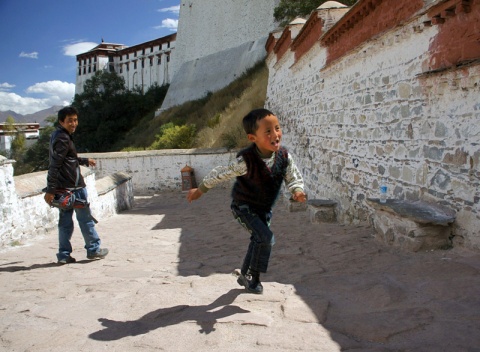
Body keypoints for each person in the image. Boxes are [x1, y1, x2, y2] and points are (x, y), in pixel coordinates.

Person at [187, 108, 306, 294]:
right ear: (253, 138)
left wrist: (297, 191)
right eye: (268, 131)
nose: (275, 134)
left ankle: (244, 274)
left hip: (263, 209)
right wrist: (200, 190)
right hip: (243, 207)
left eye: (277, 128)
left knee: (258, 239)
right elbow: (221, 173)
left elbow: (293, 177)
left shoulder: (284, 157)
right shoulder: (246, 161)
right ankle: (253, 278)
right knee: (266, 238)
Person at [44, 106, 108, 264]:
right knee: (85, 219)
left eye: (75, 120)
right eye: (69, 121)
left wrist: (85, 161)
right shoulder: (64, 138)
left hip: (63, 189)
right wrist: (50, 190)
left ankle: (64, 255)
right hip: (74, 189)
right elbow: (55, 165)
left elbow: (69, 159)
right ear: (61, 121)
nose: (74, 124)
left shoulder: (58, 135)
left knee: (65, 223)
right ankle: (93, 249)